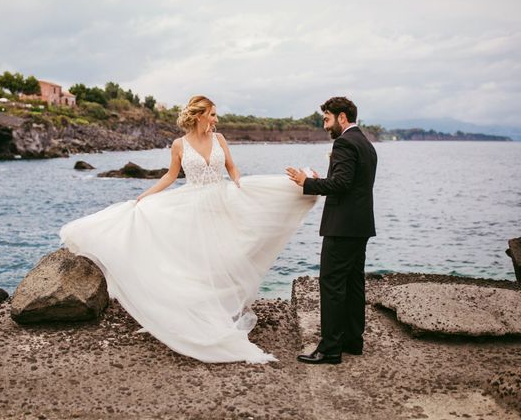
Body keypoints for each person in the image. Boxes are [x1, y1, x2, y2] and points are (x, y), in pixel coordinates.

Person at [60, 95, 317, 363]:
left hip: (222, 204)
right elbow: (171, 176)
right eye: (213, 114)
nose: (217, 119)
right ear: (199, 115)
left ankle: (221, 311)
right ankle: (197, 315)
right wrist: (145, 196)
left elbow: (231, 168)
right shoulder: (178, 144)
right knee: (195, 263)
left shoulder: (220, 140)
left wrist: (243, 188)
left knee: (224, 259)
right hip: (192, 208)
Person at [286, 97, 377, 365]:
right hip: (360, 226)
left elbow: (341, 183)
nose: (325, 125)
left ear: (342, 117)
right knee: (353, 283)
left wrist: (308, 182)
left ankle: (330, 349)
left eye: (327, 119)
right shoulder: (366, 144)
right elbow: (348, 181)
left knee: (332, 284)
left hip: (342, 227)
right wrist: (319, 179)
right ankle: (353, 341)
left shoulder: (345, 142)